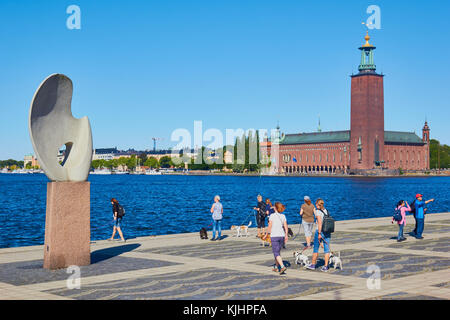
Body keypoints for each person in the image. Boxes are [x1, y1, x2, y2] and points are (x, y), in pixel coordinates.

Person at [306, 198, 332, 272]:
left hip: (320, 231)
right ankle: (326, 266)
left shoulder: (318, 212)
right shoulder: (326, 211)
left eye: (316, 204)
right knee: (327, 249)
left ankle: (313, 265)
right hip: (328, 231)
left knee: (315, 248)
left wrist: (319, 233)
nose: (315, 205)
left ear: (317, 205)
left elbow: (320, 223)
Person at [266, 202, 289, 275]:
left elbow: (269, 226)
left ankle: (282, 266)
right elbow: (286, 226)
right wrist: (286, 235)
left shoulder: (272, 216)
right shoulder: (283, 216)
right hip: (281, 235)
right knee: (278, 252)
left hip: (274, 236)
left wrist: (266, 234)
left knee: (276, 252)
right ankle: (276, 267)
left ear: (275, 208)